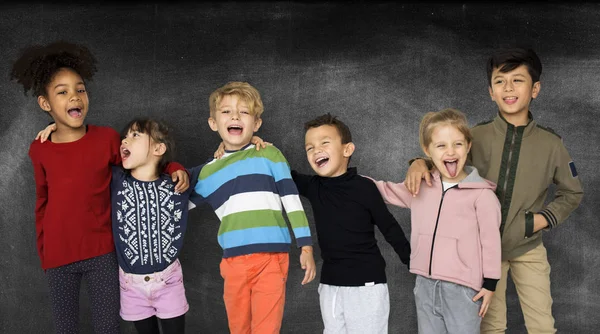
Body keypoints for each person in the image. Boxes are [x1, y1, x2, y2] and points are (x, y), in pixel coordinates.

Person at [12, 41, 188, 333]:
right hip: (58, 255)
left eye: (80, 89)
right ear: (45, 104)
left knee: (108, 327)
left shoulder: (106, 139)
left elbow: (141, 165)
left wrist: (172, 167)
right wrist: (44, 249)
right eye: (63, 92)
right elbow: (42, 199)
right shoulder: (39, 148)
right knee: (65, 327)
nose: (75, 97)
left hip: (102, 254)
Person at [405, 48, 584, 333]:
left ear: (535, 89)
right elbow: (446, 159)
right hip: (482, 254)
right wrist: (417, 163)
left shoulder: (552, 144)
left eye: (518, 80)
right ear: (491, 91)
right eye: (500, 81)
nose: (508, 88)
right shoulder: (475, 135)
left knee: (542, 326)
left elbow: (572, 192)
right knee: (490, 326)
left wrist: (539, 220)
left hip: (528, 248)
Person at [189, 81, 316, 334]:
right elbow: (175, 200)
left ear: (256, 124)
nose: (235, 116)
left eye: (244, 112)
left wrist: (306, 244)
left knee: (266, 329)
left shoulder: (269, 154)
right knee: (239, 329)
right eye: (226, 111)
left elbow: (291, 200)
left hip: (271, 258)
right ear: (213, 123)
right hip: (233, 262)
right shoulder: (207, 172)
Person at [368, 108, 502, 334]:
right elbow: (384, 190)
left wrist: (490, 284)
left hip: (464, 289)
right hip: (425, 284)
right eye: (441, 146)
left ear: (468, 146)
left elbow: (491, 242)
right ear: (427, 150)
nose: (450, 151)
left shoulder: (483, 196)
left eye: (458, 144)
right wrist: (347, 180)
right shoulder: (420, 186)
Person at [293, 113, 411, 334]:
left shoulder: (364, 188)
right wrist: (258, 146)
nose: (316, 150)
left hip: (366, 284)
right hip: (330, 285)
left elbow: (389, 227)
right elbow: (281, 174)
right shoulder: (313, 186)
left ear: (347, 150)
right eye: (310, 148)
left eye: (324, 143)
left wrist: (413, 261)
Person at [112, 118, 203, 334]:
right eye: (125, 136)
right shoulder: (115, 180)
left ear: (158, 148)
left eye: (136, 135)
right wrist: (58, 129)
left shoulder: (177, 183)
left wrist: (178, 168)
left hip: (168, 281)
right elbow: (86, 148)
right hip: (130, 285)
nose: (125, 140)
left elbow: (218, 166)